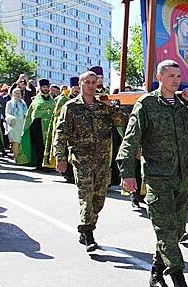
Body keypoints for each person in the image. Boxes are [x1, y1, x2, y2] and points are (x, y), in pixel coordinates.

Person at [117, 60, 188, 287]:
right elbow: (130, 140)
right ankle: (178, 277)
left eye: (178, 76)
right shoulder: (146, 104)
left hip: (183, 176)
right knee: (166, 229)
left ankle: (156, 272)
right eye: (171, 76)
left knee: (175, 231)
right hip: (158, 177)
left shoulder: (183, 104)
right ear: (160, 77)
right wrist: (127, 173)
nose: (176, 80)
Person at [54, 71, 126, 252]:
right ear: (80, 84)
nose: (92, 86)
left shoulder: (103, 106)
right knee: (85, 195)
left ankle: (88, 226)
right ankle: (88, 233)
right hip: (81, 158)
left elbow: (121, 121)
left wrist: (110, 106)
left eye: (94, 82)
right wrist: (60, 157)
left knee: (99, 198)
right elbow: (61, 133)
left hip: (102, 159)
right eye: (88, 82)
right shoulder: (71, 107)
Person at [15, 79, 56, 170]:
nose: (45, 89)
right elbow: (32, 114)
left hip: (50, 127)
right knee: (39, 146)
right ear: (40, 88)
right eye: (43, 87)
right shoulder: (36, 100)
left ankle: (48, 164)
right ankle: (39, 164)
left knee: (49, 145)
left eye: (46, 87)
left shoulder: (52, 101)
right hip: (38, 127)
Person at [46, 76, 79, 183]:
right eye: (74, 87)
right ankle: (68, 174)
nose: (76, 89)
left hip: (78, 130)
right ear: (70, 87)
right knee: (65, 150)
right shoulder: (63, 99)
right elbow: (57, 116)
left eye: (78, 87)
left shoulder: (81, 99)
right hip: (66, 129)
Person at [5, 88, 28, 159]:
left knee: (21, 140)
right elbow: (7, 113)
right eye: (16, 93)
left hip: (22, 123)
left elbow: (26, 112)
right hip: (14, 123)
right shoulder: (9, 103)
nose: (18, 95)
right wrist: (11, 118)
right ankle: (16, 156)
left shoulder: (23, 103)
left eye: (19, 93)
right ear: (13, 94)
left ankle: (21, 156)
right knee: (15, 140)